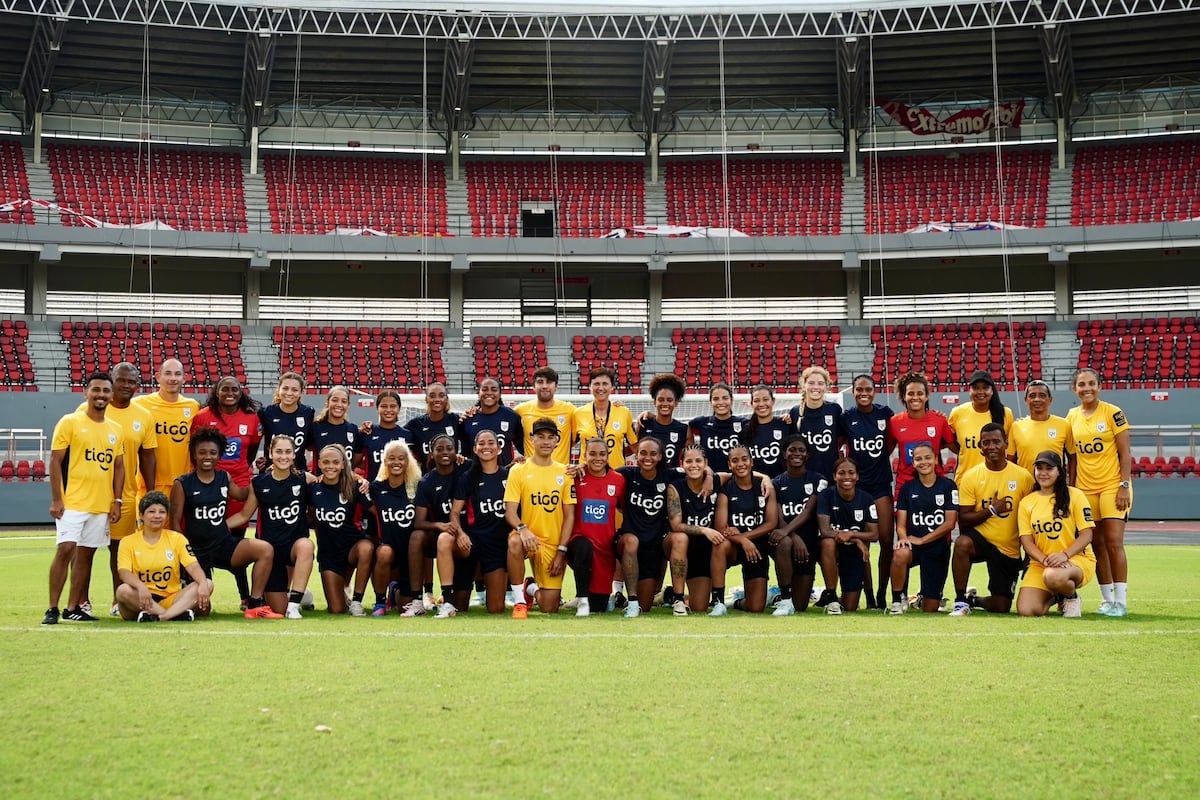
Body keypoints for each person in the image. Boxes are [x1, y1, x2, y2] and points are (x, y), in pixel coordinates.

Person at [169, 427, 281, 618]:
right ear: (194, 455)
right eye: (202, 452)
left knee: (265, 549)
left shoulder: (224, 477)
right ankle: (186, 591)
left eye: (213, 453)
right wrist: (184, 557)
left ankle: (255, 603)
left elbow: (242, 494)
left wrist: (263, 476)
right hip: (196, 551)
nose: (207, 457)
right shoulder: (182, 483)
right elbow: (175, 524)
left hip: (223, 544)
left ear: (219, 455)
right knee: (202, 611)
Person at [44, 371, 125, 624]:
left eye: (105, 391)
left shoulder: (116, 430)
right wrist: (57, 499)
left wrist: (117, 501)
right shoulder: (70, 422)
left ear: (111, 395)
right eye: (96, 390)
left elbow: (119, 467)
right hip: (73, 502)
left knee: (86, 556)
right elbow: (55, 461)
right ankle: (52, 608)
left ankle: (72, 608)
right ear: (85, 392)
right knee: (66, 550)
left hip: (100, 505)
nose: (101, 395)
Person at [86, 362, 157, 617]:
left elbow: (147, 456)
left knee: (119, 553)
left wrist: (150, 493)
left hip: (125, 496)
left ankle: (118, 601)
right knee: (85, 551)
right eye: (121, 380)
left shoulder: (143, 416)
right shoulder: (88, 411)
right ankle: (81, 601)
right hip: (90, 495)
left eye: (131, 382)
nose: (126, 385)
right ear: (112, 381)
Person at [949, 423, 1036, 616]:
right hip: (981, 540)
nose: (991, 446)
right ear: (980, 447)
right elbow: (963, 519)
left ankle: (973, 600)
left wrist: (1029, 555)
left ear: (1006, 444)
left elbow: (1032, 518)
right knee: (962, 543)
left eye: (996, 441)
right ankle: (960, 600)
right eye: (986, 442)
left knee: (1001, 606)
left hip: (1008, 549)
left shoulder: (1023, 477)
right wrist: (992, 510)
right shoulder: (971, 477)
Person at [1067, 367, 1133, 616]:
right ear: (1075, 389)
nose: (1087, 388)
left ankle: (1121, 602)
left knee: (1114, 541)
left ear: (1099, 386)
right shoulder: (1071, 416)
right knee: (1096, 543)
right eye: (1082, 384)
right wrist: (1072, 488)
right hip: (1086, 488)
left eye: (1091, 383)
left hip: (1112, 485)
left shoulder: (1113, 412)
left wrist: (1124, 485)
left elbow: (1125, 453)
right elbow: (1072, 457)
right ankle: (1107, 600)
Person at [191, 376, 262, 606]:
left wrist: (240, 472)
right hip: (208, 486)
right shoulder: (202, 416)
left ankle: (245, 596)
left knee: (235, 544)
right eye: (225, 389)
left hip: (238, 486)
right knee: (203, 540)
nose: (230, 393)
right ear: (217, 392)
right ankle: (203, 593)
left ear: (241, 393)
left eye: (235, 389)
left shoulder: (251, 418)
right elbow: (195, 449)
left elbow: (251, 452)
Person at [227, 434, 314, 618]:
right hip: (270, 552)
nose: (283, 456)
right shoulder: (259, 483)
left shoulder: (304, 479)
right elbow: (244, 515)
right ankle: (301, 596)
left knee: (307, 545)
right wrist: (219, 526)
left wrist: (358, 479)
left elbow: (328, 482)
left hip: (293, 547)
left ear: (294, 455)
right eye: (279, 451)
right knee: (278, 609)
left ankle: (294, 605)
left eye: (288, 452)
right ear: (270, 453)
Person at [504, 418, 576, 617]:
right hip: (528, 538)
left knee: (549, 607)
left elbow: (569, 516)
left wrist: (561, 552)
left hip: (552, 543)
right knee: (514, 542)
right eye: (541, 437)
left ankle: (530, 588)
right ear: (532, 440)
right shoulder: (518, 470)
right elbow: (510, 511)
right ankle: (519, 602)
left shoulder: (565, 472)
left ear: (557, 441)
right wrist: (523, 529)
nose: (546, 441)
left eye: (550, 437)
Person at [838, 374, 895, 610]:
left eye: (868, 389)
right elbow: (838, 445)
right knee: (862, 543)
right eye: (859, 389)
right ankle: (869, 594)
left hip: (880, 485)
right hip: (858, 488)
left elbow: (891, 443)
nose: (864, 393)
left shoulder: (885, 414)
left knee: (886, 541)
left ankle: (882, 592)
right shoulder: (847, 417)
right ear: (853, 392)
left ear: (874, 391)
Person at [1016, 450, 1096, 618]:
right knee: (1027, 610)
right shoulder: (1026, 502)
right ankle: (1059, 596)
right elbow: (1027, 541)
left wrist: (1064, 555)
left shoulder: (1075, 495)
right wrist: (1044, 560)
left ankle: (1071, 597)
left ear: (1059, 471)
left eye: (1049, 468)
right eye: (1039, 468)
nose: (1043, 473)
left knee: (1052, 575)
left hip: (1075, 559)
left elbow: (1087, 535)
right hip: (1041, 563)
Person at [614, 437, 688, 617]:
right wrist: (581, 466)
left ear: (661, 456)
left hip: (653, 548)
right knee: (631, 541)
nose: (648, 458)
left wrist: (708, 476)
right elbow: (600, 472)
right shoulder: (626, 473)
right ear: (636, 455)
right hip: (629, 542)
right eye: (643, 453)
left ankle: (669, 597)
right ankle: (631, 601)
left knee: (646, 605)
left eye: (653, 453)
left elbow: (698, 470)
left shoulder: (669, 475)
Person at [443, 430, 510, 616]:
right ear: (474, 449)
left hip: (496, 545)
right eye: (481, 443)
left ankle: (525, 585)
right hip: (472, 542)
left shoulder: (509, 476)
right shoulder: (467, 477)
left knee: (496, 608)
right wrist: (460, 533)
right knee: (460, 606)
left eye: (491, 443)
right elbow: (455, 512)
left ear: (499, 448)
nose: (486, 447)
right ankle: (449, 595)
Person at [114, 491, 210, 622]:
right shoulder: (128, 541)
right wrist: (141, 586)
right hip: (140, 599)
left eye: (162, 512)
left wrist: (203, 584)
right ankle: (174, 614)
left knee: (208, 583)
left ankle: (163, 616)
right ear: (141, 515)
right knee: (123, 590)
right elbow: (124, 572)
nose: (157, 516)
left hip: (171, 599)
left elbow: (193, 566)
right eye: (151, 512)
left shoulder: (177, 538)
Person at [709, 444, 779, 615]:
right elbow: (720, 528)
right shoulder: (726, 490)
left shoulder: (765, 487)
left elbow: (771, 523)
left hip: (756, 548)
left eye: (744, 459)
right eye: (735, 460)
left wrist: (745, 537)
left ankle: (737, 601)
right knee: (719, 544)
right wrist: (742, 540)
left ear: (751, 462)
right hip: (733, 545)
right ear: (729, 465)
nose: (740, 464)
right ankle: (718, 602)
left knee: (756, 608)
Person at [890, 443, 959, 614]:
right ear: (913, 463)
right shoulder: (907, 488)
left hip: (937, 547)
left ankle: (921, 598)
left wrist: (922, 540)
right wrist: (903, 538)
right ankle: (898, 600)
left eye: (927, 458)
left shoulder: (948, 486)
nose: (923, 462)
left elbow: (950, 523)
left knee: (930, 608)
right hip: (913, 546)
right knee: (900, 552)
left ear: (936, 459)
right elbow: (900, 525)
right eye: (918, 459)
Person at [403, 433, 465, 616]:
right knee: (416, 536)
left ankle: (478, 590)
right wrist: (439, 525)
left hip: (466, 537)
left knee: (464, 604)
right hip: (441, 537)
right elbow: (419, 522)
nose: (445, 452)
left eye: (449, 448)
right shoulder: (427, 482)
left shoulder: (466, 470)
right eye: (439, 449)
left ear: (456, 453)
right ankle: (417, 600)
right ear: (431, 454)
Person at [767, 436, 828, 615]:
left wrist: (789, 532)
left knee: (800, 606)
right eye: (792, 450)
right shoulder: (775, 483)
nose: (797, 454)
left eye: (801, 450)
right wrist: (793, 536)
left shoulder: (819, 480)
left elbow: (808, 511)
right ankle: (785, 597)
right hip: (785, 543)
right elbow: (777, 517)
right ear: (784, 454)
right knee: (784, 542)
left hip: (808, 545)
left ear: (807, 455)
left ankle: (776, 596)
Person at [567, 437, 625, 616]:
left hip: (604, 549)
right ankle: (582, 599)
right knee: (583, 546)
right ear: (584, 456)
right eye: (592, 454)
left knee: (598, 606)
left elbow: (623, 508)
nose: (597, 458)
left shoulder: (618, 480)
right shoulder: (575, 477)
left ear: (608, 456)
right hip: (578, 543)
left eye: (602, 454)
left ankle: (588, 597)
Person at [815, 457, 879, 614]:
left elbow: (874, 534)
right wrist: (856, 539)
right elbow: (825, 531)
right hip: (834, 549)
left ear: (857, 476)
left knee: (850, 607)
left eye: (851, 472)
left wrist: (851, 535)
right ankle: (831, 596)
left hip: (853, 553)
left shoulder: (867, 499)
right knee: (828, 542)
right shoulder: (825, 496)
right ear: (834, 476)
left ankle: (840, 596)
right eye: (841, 473)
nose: (846, 477)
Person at [667, 444, 725, 613]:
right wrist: (705, 530)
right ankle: (678, 599)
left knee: (699, 607)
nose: (694, 465)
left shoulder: (716, 480)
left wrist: (766, 478)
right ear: (682, 464)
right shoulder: (675, 487)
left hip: (704, 550)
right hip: (680, 545)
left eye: (698, 461)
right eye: (689, 461)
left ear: (706, 463)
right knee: (680, 537)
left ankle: (668, 595)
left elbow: (740, 473)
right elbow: (676, 525)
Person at [368, 439, 421, 616]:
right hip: (388, 551)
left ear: (407, 461)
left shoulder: (417, 486)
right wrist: (357, 478)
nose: (396, 462)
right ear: (384, 461)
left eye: (401, 458)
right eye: (391, 458)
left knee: (403, 606)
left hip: (410, 556)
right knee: (384, 553)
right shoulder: (375, 488)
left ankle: (395, 590)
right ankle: (379, 602)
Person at [134, 358, 200, 495]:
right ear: (158, 377)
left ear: (184, 378)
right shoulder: (140, 404)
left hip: (182, 485)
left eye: (177, 374)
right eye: (168, 373)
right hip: (148, 485)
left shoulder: (193, 406)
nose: (173, 378)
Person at [888, 371, 955, 495]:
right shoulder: (894, 422)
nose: (915, 397)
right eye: (910, 393)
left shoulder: (939, 420)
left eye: (920, 393)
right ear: (904, 396)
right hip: (905, 486)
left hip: (935, 486)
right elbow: (887, 451)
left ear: (927, 396)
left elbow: (956, 448)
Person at [948, 370, 1014, 480]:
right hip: (965, 479)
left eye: (985, 388)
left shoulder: (1005, 414)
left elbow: (1011, 450)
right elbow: (948, 440)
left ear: (992, 391)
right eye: (976, 388)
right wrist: (963, 451)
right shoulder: (957, 413)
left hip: (996, 479)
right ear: (969, 390)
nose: (980, 392)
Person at [575, 365, 637, 469]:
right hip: (587, 473)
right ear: (590, 386)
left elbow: (634, 445)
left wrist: (617, 454)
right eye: (596, 384)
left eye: (605, 384)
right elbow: (568, 443)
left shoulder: (624, 412)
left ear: (612, 387)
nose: (601, 388)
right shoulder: (578, 413)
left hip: (616, 473)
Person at [1008, 379, 1075, 475]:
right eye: (1032, 396)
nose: (1037, 399)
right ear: (1026, 400)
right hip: (1026, 483)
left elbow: (1072, 458)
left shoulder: (1064, 425)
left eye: (1042, 396)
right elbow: (1011, 461)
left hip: (1054, 483)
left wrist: (1071, 483)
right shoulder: (1016, 427)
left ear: (1050, 400)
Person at [789, 366, 842, 481]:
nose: (816, 387)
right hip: (803, 478)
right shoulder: (795, 412)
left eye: (820, 383)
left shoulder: (834, 410)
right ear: (804, 385)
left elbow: (841, 439)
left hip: (830, 478)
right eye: (811, 383)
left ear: (826, 386)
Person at [514, 366, 577, 464]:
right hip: (531, 471)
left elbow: (575, 440)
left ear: (556, 386)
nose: (544, 386)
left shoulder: (570, 410)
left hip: (561, 471)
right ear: (533, 386)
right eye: (540, 382)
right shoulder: (520, 410)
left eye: (549, 382)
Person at [257, 371, 316, 471]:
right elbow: (254, 441)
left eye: (294, 390)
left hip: (298, 472)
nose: (289, 393)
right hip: (271, 472)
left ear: (301, 392)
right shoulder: (265, 413)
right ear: (278, 389)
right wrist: (259, 461)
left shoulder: (308, 413)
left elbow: (310, 445)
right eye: (285, 388)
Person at [461, 378, 524, 466]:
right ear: (478, 393)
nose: (489, 392)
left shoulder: (511, 416)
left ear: (500, 394)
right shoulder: (468, 418)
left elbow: (522, 447)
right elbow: (465, 453)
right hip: (476, 472)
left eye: (494, 390)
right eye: (485, 389)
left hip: (505, 471)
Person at [405, 382, 466, 470]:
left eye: (441, 395)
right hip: (426, 476)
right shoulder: (415, 424)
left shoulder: (454, 420)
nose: (437, 399)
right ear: (426, 399)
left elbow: (470, 439)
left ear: (446, 399)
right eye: (432, 396)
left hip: (453, 476)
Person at [688, 382, 744, 473]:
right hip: (709, 477)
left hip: (736, 478)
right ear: (711, 402)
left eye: (725, 398)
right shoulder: (701, 423)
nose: (721, 402)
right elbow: (686, 427)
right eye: (716, 399)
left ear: (731, 400)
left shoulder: (743, 424)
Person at [635, 373, 689, 467]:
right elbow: (630, 450)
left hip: (672, 476)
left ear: (676, 403)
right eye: (661, 399)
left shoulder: (684, 429)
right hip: (646, 475)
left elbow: (690, 457)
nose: (665, 403)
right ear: (655, 402)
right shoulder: (644, 424)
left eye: (669, 400)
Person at [309, 385, 364, 473]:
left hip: (346, 481)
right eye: (335, 400)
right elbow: (308, 448)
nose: (339, 405)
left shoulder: (353, 429)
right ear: (327, 402)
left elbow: (355, 460)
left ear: (348, 405)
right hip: (321, 480)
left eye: (344, 401)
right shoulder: (315, 427)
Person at [359, 390, 414, 478]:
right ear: (377, 408)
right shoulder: (367, 432)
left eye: (393, 406)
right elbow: (356, 462)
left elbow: (412, 463)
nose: (388, 410)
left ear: (399, 409)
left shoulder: (407, 435)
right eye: (384, 406)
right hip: (373, 485)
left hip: (400, 485)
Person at [741, 384, 791, 478]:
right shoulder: (745, 429)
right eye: (757, 400)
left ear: (773, 401)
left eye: (765, 399)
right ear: (751, 404)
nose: (761, 404)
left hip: (781, 483)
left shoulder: (785, 424)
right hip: (755, 483)